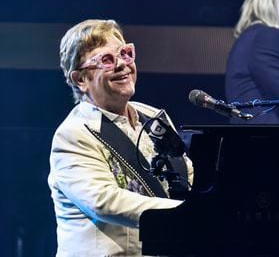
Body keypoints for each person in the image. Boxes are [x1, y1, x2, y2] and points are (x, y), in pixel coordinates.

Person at [47, 19, 194, 256]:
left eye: (126, 54)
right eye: (107, 60)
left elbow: (186, 175)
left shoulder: (153, 117)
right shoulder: (73, 134)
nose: (122, 65)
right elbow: (105, 201)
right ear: (81, 79)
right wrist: (189, 213)